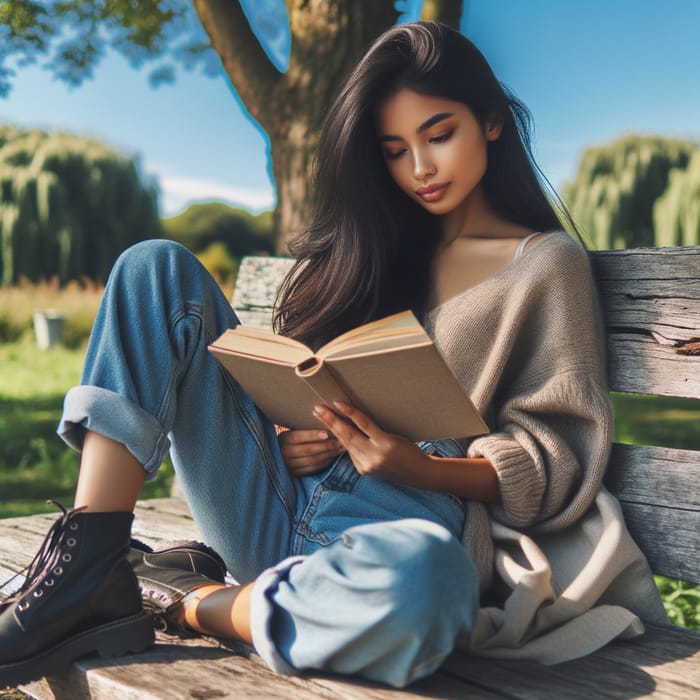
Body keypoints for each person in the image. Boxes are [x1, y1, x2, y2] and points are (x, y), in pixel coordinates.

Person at [0, 21, 665, 690]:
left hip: (401, 534)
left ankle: (186, 600)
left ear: (491, 122)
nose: (421, 169)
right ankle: (87, 562)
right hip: (268, 501)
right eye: (395, 150)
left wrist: (419, 467)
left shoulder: (544, 265)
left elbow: (557, 454)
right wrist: (292, 431)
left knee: (428, 583)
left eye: (439, 135)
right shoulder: (374, 247)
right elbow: (298, 373)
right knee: (154, 270)